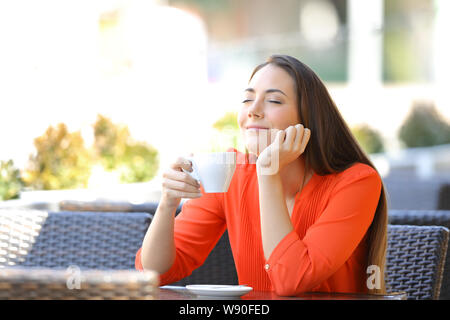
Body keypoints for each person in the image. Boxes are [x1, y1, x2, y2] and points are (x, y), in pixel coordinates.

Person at [135, 54, 387, 296]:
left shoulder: (357, 182)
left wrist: (268, 173)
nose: (253, 111)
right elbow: (155, 273)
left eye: (274, 101)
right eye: (247, 100)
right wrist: (167, 204)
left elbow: (293, 281)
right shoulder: (231, 174)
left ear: (308, 119)